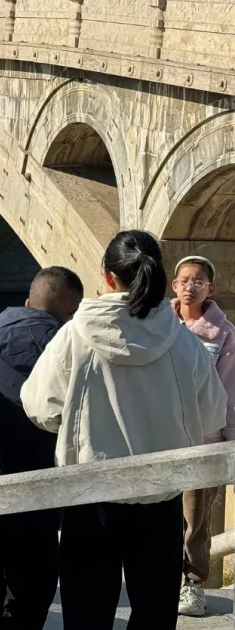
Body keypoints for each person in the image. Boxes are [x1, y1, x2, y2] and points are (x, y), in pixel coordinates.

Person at [21, 230, 227, 630]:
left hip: (91, 496)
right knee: (155, 613)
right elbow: (211, 416)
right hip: (161, 497)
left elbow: (39, 408)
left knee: (87, 615)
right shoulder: (183, 342)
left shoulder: (76, 336)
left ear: (107, 276)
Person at [0, 267, 85, 630]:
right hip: (39, 493)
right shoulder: (77, 356)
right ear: (72, 315)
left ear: (28, 302)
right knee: (31, 590)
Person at [169, 255, 235, 616]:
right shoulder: (157, 326)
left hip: (203, 440)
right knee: (158, 514)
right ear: (174, 286)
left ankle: (193, 584)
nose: (190, 287)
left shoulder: (224, 334)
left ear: (211, 288)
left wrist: (229, 444)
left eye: (198, 281)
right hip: (158, 438)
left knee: (196, 520)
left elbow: (230, 391)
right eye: (184, 280)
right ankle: (160, 580)